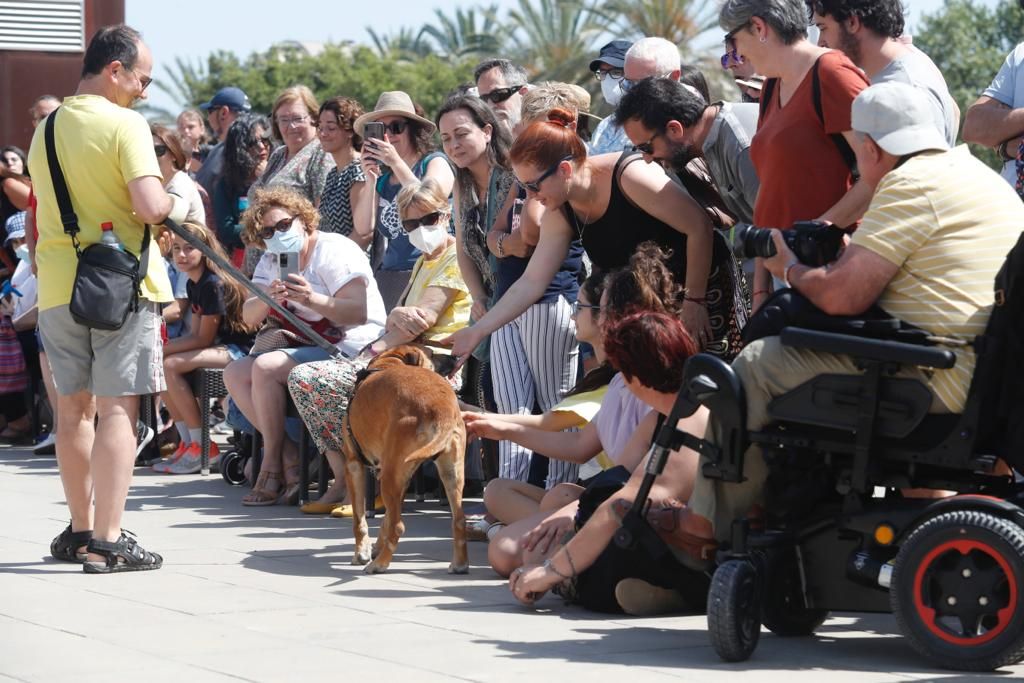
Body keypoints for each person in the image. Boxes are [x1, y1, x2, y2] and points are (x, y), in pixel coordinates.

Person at [659, 82, 1024, 564]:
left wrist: (788, 266)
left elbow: (841, 296)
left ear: (869, 147)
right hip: (985, 378)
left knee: (753, 364)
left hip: (931, 378)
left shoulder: (908, 185)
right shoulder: (976, 178)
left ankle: (706, 520)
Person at [28, 24, 190, 572]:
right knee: (118, 406)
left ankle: (77, 530)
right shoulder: (126, 124)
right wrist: (170, 204)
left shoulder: (44, 129)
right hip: (120, 285)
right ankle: (109, 538)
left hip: (56, 284)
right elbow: (149, 205)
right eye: (141, 78)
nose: (144, 91)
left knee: (71, 410)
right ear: (115, 70)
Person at [446, 108, 737, 364]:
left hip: (702, 290)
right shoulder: (561, 209)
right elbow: (531, 283)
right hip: (650, 307)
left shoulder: (629, 175)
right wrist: (477, 331)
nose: (531, 198)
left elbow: (699, 226)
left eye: (534, 187)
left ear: (563, 170)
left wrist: (696, 301)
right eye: (525, 189)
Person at [508, 310, 710, 616]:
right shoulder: (668, 413)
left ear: (636, 376)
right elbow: (618, 479)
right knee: (545, 550)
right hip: (676, 533)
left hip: (699, 553)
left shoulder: (689, 423)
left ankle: (683, 592)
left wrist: (550, 572)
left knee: (580, 568)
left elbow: (621, 505)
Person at [287, 178, 470, 514]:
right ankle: (344, 477)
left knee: (321, 380)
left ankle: (378, 481)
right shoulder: (422, 261)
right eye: (411, 224)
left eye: (428, 219)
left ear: (445, 215)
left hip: (434, 363)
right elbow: (398, 320)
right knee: (305, 381)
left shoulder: (454, 257)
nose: (420, 229)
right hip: (399, 356)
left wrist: (378, 344)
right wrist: (394, 322)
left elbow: (421, 319)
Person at [439, 94, 583, 486]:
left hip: (547, 298)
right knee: (508, 404)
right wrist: (502, 242)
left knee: (557, 406)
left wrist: (506, 236)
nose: (453, 144)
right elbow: (491, 240)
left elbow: (529, 235)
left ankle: (557, 496)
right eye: (446, 137)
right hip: (504, 300)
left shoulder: (525, 177)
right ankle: (507, 496)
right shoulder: (495, 181)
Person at [223, 187, 385, 506]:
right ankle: (288, 456)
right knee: (234, 373)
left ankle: (271, 466)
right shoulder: (274, 260)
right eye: (268, 231)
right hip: (308, 345)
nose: (278, 234)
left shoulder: (335, 249)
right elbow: (247, 317)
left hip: (353, 346)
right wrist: (270, 297)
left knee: (265, 368)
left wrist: (311, 298)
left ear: (304, 220)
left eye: (284, 225)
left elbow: (358, 312)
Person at [719, 0, 871, 312]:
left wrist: (817, 232)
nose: (736, 55)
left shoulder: (832, 74)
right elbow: (772, 191)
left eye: (734, 42)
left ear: (759, 28)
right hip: (784, 274)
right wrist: (762, 286)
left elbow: (883, 174)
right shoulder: (773, 82)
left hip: (832, 269)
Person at [154, 222, 253, 475]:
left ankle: (203, 446)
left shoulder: (213, 284)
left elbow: (203, 340)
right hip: (219, 346)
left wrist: (162, 349)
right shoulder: (192, 283)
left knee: (169, 363)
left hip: (241, 350)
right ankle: (187, 443)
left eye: (189, 248)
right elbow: (196, 335)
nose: (182, 255)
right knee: (157, 362)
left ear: (204, 249)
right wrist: (158, 348)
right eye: (176, 249)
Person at [354, 91, 455, 310]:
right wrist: (370, 180)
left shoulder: (434, 163)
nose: (389, 136)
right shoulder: (382, 181)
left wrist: (395, 162)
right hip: (391, 277)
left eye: (396, 127)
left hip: (435, 269)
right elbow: (363, 228)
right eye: (382, 129)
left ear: (413, 130)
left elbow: (427, 203)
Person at [808, 0, 959, 146]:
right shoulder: (908, 68)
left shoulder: (906, 87)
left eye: (823, 28)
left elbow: (923, 169)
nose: (820, 42)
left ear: (852, 23)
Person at [616, 77, 760, 224]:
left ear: (674, 129)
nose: (647, 158)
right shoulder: (712, 139)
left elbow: (779, 231)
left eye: (646, 148)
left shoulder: (742, 148)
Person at [250, 85, 334, 207]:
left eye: (297, 118)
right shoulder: (278, 155)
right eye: (284, 120)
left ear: (314, 118)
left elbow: (324, 212)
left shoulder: (322, 153)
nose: (291, 126)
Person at [210, 113, 272, 263]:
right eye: (253, 143)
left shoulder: (279, 173)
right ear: (239, 149)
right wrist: (266, 230)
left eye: (265, 140)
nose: (262, 147)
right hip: (243, 262)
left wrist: (266, 178)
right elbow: (227, 231)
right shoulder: (226, 184)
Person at [316, 97, 372, 245]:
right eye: (320, 127)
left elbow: (363, 234)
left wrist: (337, 259)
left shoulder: (359, 170)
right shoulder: (333, 173)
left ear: (350, 132)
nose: (323, 134)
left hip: (349, 263)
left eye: (331, 128)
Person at [195, 86, 252, 194]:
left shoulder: (249, 154)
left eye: (210, 111)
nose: (208, 118)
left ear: (223, 113)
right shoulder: (218, 149)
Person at [151, 124, 206, 225]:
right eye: (147, 151)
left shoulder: (180, 184)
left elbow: (173, 217)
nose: (152, 156)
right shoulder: (159, 183)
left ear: (173, 154)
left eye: (158, 150)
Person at [588, 39, 634, 155]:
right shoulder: (604, 125)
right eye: (603, 72)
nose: (608, 79)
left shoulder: (649, 123)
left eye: (616, 72)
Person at [474, 58, 530, 132]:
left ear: (523, 93)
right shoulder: (484, 141)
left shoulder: (548, 136)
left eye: (498, 95)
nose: (490, 106)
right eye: (483, 100)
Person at [176, 108, 209, 175]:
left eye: (191, 127)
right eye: (181, 127)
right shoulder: (172, 156)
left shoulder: (210, 153)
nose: (186, 131)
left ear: (202, 129)